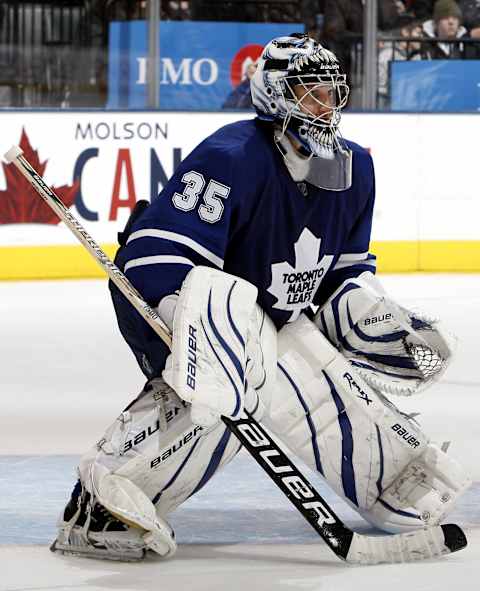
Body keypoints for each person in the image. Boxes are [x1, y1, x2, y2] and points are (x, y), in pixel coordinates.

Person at [51, 33, 470, 561]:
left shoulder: (355, 170)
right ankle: (100, 508)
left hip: (265, 323)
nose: (325, 105)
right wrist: (194, 327)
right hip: (173, 304)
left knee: (314, 379)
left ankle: (394, 485)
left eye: (330, 92)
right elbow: (154, 255)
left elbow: (342, 277)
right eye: (309, 92)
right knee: (225, 384)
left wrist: (381, 324)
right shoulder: (232, 157)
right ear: (276, 95)